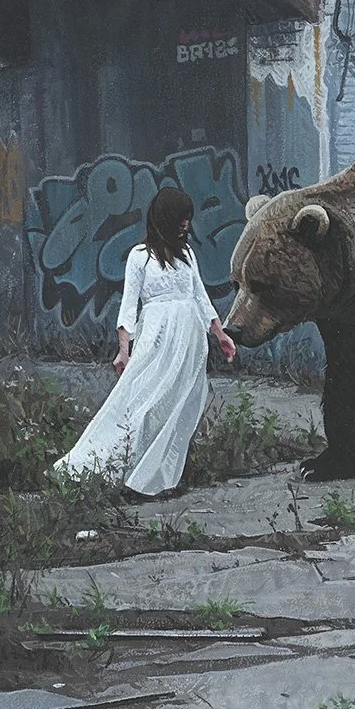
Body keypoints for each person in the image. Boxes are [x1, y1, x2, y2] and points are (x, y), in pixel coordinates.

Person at [51, 186, 236, 495]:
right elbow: (128, 306)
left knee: (175, 406)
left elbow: (200, 297)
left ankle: (157, 479)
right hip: (157, 338)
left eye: (188, 219)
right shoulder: (140, 257)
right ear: (164, 219)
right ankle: (100, 466)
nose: (186, 225)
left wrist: (220, 334)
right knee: (140, 403)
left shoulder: (187, 254)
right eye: (180, 218)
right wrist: (124, 352)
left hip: (189, 341)